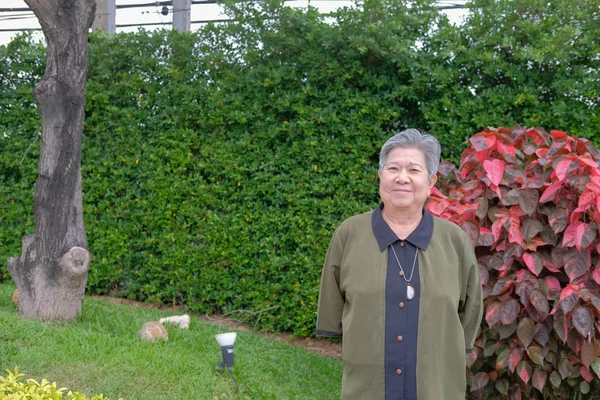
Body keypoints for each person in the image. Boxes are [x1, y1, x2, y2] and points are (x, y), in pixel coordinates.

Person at [316, 129, 483, 400]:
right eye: (393, 168)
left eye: (414, 170)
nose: (402, 178)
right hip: (366, 389)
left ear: (431, 181)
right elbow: (333, 305)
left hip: (435, 388)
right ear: (380, 176)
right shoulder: (348, 234)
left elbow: (471, 309)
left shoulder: (455, 241)